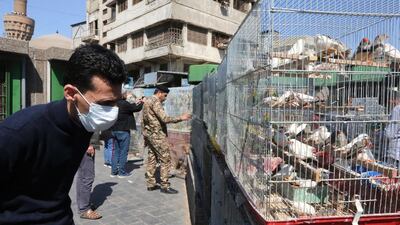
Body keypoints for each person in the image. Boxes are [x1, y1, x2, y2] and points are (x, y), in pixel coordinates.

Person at [0, 44, 126, 225]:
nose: (113, 110)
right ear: (71, 93)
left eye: (116, 102)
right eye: (105, 103)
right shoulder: (17, 133)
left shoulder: (84, 123)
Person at [142, 85, 191, 194]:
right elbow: (165, 119)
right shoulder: (155, 102)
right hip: (158, 136)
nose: (165, 98)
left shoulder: (147, 101)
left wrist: (145, 134)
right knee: (165, 159)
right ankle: (165, 186)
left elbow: (143, 120)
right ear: (159, 92)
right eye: (165, 95)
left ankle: (151, 183)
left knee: (152, 158)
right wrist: (181, 118)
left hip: (150, 135)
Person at [109, 91, 144, 178]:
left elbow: (132, 106)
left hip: (114, 130)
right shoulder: (125, 104)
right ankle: (122, 172)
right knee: (123, 152)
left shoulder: (114, 104)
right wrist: (142, 102)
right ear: (124, 96)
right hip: (123, 131)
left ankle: (113, 172)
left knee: (116, 151)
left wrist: (137, 102)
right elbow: (136, 108)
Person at [76, 145, 101, 220]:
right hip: (85, 144)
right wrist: (90, 144)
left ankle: (82, 205)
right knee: (88, 177)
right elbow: (88, 132)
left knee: (82, 176)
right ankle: (84, 209)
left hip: (80, 144)